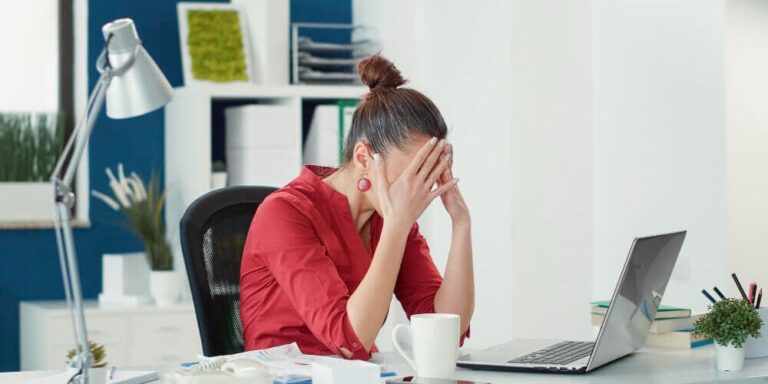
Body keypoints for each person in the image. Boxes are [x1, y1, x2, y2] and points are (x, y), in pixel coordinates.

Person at [239, 55, 474, 360]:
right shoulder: (284, 213)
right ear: (364, 158)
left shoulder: (389, 218)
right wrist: (397, 226)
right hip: (286, 375)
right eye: (411, 175)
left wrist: (461, 223)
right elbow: (349, 339)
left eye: (427, 174)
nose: (416, 191)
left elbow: (447, 329)